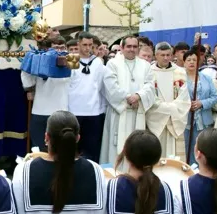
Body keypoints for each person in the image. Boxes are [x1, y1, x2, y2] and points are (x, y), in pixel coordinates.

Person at [100, 36, 156, 165]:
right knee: (115, 148)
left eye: (135, 46)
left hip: (137, 112)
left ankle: (134, 172)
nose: (132, 49)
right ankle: (115, 172)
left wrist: (138, 96)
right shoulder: (113, 64)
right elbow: (111, 86)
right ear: (122, 47)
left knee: (137, 146)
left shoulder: (145, 65)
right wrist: (128, 98)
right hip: (118, 113)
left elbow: (150, 86)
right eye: (128, 46)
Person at [22, 38, 70, 152]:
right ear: (48, 49)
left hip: (61, 111)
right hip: (40, 111)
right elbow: (28, 83)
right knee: (39, 149)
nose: (59, 51)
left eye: (62, 48)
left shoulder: (70, 63)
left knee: (59, 148)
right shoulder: (40, 61)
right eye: (55, 48)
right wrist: (27, 67)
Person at [147, 42, 191, 162]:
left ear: (172, 55)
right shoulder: (149, 72)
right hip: (156, 120)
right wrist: (169, 108)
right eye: (162, 55)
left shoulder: (180, 72)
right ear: (156, 55)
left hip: (174, 120)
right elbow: (149, 95)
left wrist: (168, 108)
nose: (166, 58)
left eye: (168, 55)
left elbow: (184, 98)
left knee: (174, 157)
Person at [68, 33, 107, 163]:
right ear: (78, 44)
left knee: (92, 148)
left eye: (90, 45)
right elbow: (67, 84)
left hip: (93, 111)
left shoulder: (97, 62)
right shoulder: (72, 59)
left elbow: (100, 85)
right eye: (84, 44)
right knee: (73, 147)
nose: (87, 48)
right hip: (74, 110)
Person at [184, 48, 217, 164]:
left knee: (202, 148)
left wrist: (202, 103)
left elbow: (215, 97)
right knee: (186, 148)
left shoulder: (206, 78)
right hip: (185, 121)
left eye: (194, 60)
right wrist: (187, 105)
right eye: (189, 60)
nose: (192, 62)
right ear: (184, 62)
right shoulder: (180, 78)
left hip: (204, 121)